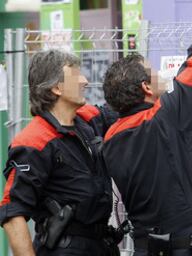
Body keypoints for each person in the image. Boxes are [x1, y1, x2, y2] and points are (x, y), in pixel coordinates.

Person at [102, 20, 192, 256]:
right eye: (152, 72)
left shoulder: (113, 137)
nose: (160, 75)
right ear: (146, 87)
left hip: (149, 248)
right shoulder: (162, 118)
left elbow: (180, 140)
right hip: (185, 248)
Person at [0, 49, 119, 256]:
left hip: (101, 244)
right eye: (76, 75)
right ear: (56, 88)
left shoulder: (87, 119)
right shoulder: (33, 140)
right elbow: (13, 214)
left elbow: (126, 111)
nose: (85, 81)